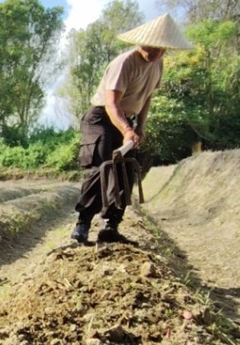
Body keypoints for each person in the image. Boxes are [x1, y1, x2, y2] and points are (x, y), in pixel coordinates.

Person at [71, 13, 192, 243]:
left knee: (125, 170)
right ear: (141, 42)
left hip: (126, 120)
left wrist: (140, 126)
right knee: (103, 165)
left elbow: (146, 97)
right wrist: (127, 130)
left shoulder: (158, 64)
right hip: (101, 118)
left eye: (161, 49)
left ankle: (111, 226)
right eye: (152, 48)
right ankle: (83, 223)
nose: (156, 53)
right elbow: (111, 104)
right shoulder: (125, 63)